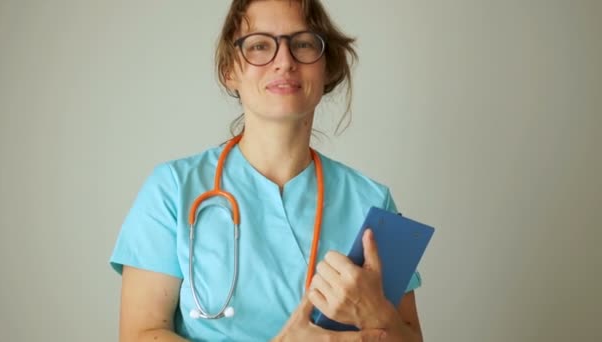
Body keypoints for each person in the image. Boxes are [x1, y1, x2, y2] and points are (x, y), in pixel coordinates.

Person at [110, 0, 425, 341]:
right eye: (260, 45)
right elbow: (140, 334)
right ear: (229, 70)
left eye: (303, 43)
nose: (285, 61)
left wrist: (377, 315)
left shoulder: (372, 201)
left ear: (327, 68)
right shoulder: (172, 189)